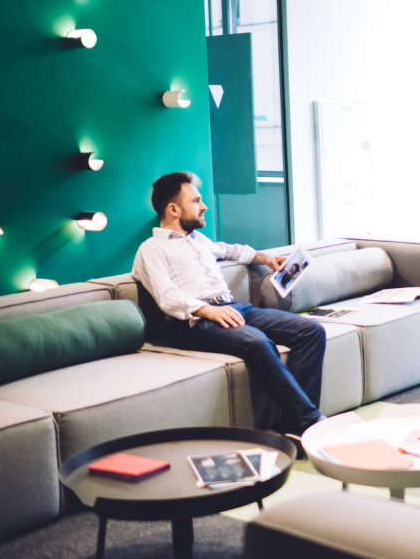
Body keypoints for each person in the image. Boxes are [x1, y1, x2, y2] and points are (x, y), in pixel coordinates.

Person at [132, 171, 326, 436]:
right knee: (257, 341)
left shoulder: (199, 240)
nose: (204, 206)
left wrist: (266, 259)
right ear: (174, 209)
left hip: (233, 308)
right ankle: (311, 421)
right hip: (195, 322)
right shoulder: (152, 249)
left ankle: (294, 426)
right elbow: (165, 295)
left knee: (311, 331)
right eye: (196, 201)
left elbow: (231, 250)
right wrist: (207, 310)